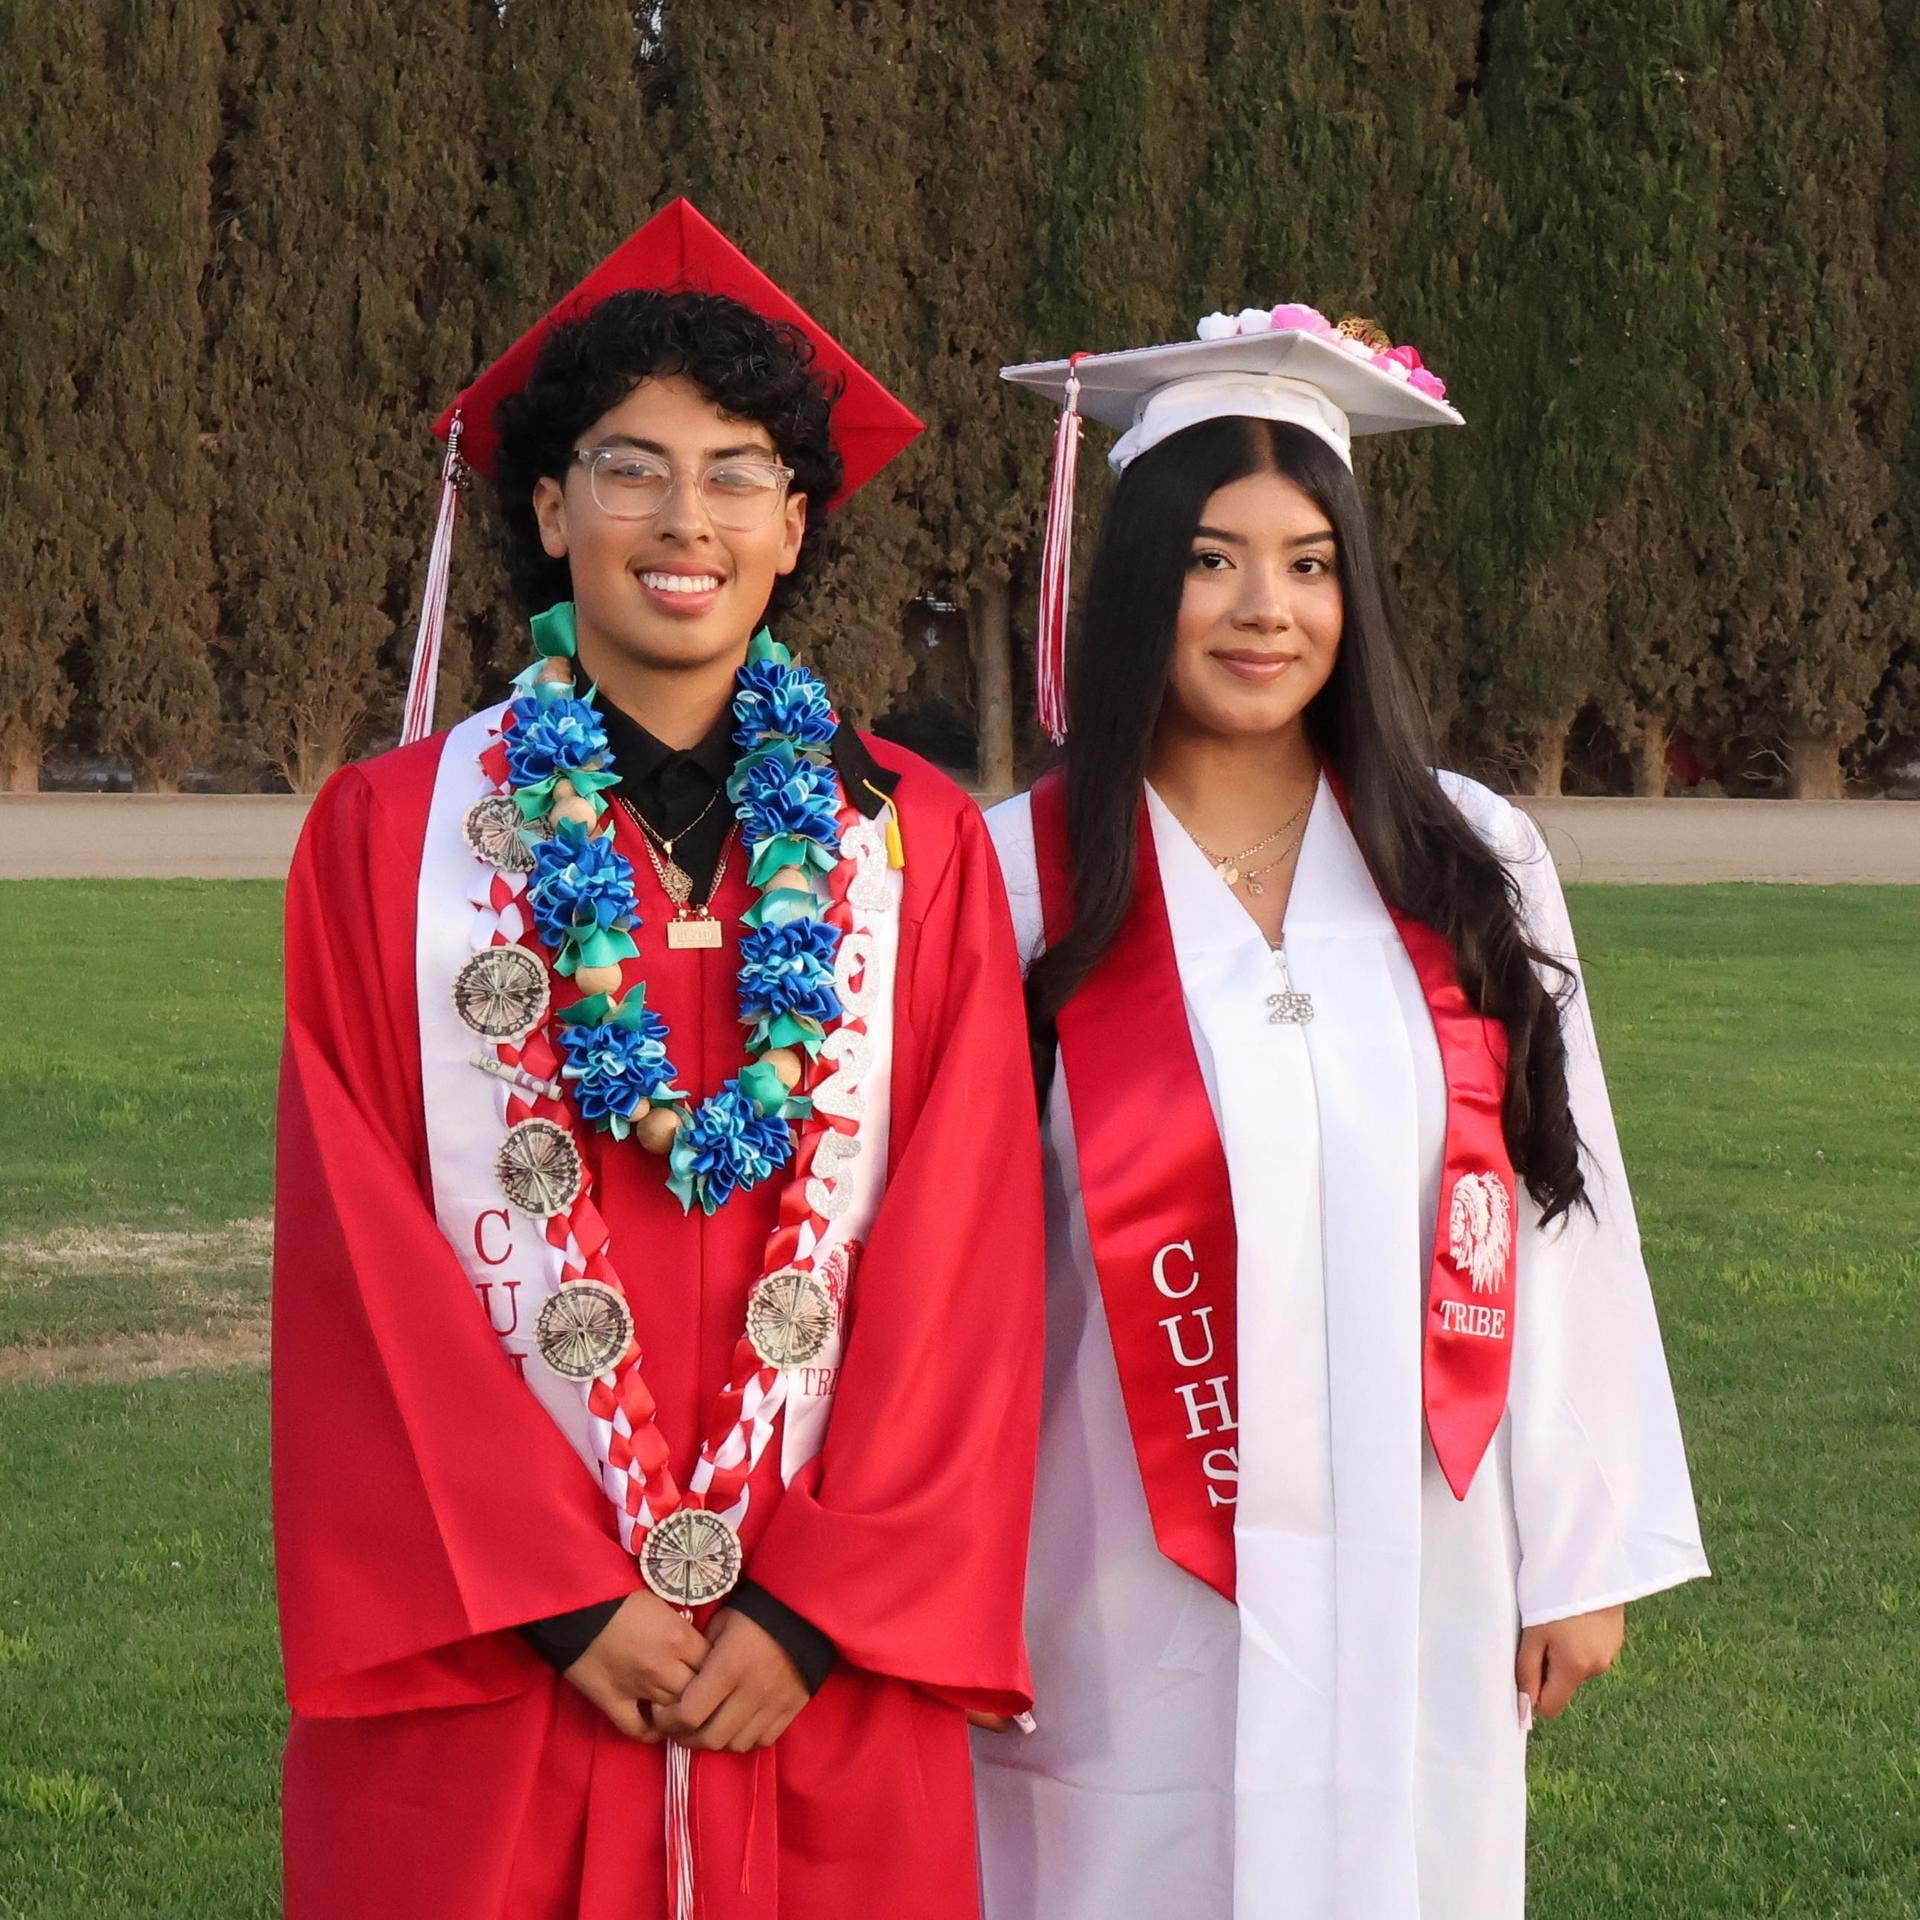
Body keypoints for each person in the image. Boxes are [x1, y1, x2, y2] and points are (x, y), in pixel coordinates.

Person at [272, 200, 1043, 1920]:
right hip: (502, 1652)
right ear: (552, 511)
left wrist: (821, 1602)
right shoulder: (393, 838)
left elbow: (972, 1241)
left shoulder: (911, 844)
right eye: (630, 469)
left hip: (818, 1663)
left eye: (737, 473)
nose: (684, 518)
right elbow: (355, 1254)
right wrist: (557, 1595)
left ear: (795, 525)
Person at [971, 304, 1709, 1919]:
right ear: (1137, 587)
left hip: (1419, 1545)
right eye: (1213, 561)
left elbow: (1556, 1206)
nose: (1267, 608)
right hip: (1112, 1545)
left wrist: (1582, 1549)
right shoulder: (1013, 878)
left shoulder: (1466, 855)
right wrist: (947, 1582)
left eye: (1309, 564)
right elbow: (948, 1266)